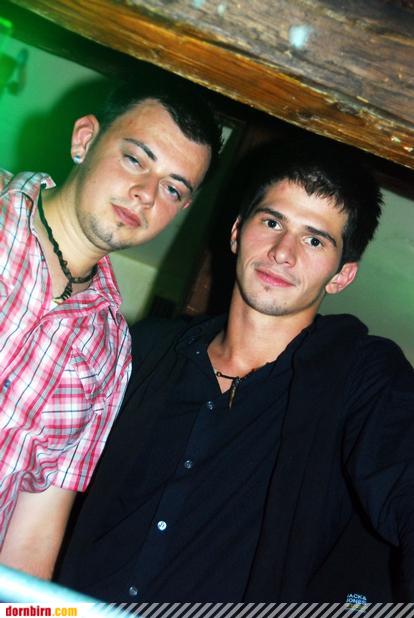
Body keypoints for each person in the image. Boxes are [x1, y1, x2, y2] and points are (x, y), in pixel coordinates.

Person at [57, 137, 414, 602]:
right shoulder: (145, 350)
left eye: (314, 240)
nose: (283, 252)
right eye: (272, 222)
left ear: (342, 274)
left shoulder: (361, 378)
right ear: (236, 232)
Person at [0, 74, 222, 580]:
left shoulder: (111, 352)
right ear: (85, 139)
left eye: (171, 188)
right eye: (135, 159)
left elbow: (32, 536)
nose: (145, 194)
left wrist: (35, 616)